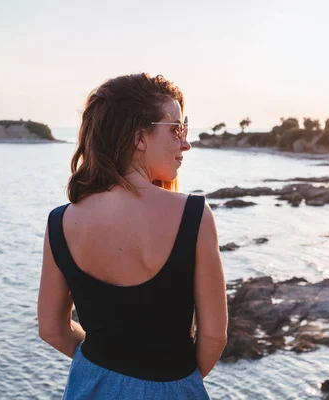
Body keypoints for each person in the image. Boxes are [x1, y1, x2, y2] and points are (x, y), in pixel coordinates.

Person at [37, 73, 228, 399]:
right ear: (140, 137)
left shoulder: (61, 221)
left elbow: (52, 329)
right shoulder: (193, 215)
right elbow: (214, 337)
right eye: (177, 129)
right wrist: (173, 379)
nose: (186, 143)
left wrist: (107, 367)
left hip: (90, 387)